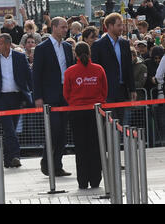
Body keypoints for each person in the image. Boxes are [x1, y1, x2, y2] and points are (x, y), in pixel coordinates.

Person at [63, 41, 107, 189]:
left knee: (81, 148)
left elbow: (66, 93)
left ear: (75, 54)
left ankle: (82, 181)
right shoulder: (99, 69)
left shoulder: (70, 71)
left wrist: (75, 102)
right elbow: (104, 91)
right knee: (96, 146)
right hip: (96, 111)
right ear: (90, 53)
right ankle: (95, 179)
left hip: (77, 112)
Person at [33, 17, 74, 177]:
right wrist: (38, 96)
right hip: (50, 95)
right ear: (54, 27)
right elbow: (36, 74)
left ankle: (57, 165)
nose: (65, 30)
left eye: (66, 27)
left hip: (65, 95)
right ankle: (46, 162)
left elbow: (70, 69)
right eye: (63, 27)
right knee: (54, 130)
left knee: (63, 132)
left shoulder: (66, 46)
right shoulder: (42, 48)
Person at [0, 33, 33, 168]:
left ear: (7, 44)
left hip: (17, 97)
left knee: (10, 129)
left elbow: (28, 77)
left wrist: (32, 94)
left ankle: (7, 159)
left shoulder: (19, 57)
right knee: (9, 128)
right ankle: (16, 155)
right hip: (1, 98)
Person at [92, 13, 136, 122]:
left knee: (122, 122)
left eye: (122, 25)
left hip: (122, 90)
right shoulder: (98, 45)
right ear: (110, 26)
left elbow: (129, 68)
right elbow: (95, 70)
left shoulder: (125, 43)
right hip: (106, 91)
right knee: (109, 123)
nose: (122, 28)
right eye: (119, 25)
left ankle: (121, 140)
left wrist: (132, 89)